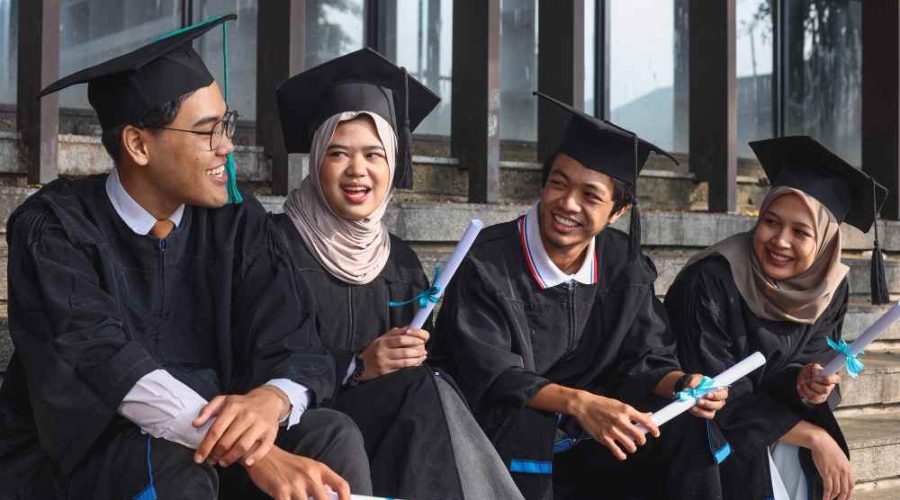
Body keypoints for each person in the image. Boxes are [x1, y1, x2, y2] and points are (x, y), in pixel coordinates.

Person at [0, 15, 370, 500]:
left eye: (227, 124)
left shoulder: (238, 224)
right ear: (138, 144)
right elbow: (108, 368)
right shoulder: (55, 229)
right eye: (207, 131)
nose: (229, 146)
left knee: (327, 436)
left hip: (211, 447)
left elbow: (297, 342)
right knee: (169, 464)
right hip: (85, 461)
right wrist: (254, 452)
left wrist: (270, 401)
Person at [431, 92, 729, 500]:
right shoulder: (487, 261)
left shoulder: (624, 264)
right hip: (509, 431)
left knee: (687, 425)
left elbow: (644, 359)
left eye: (590, 196)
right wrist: (579, 405)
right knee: (527, 424)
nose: (567, 204)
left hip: (595, 429)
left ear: (618, 211)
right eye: (558, 183)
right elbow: (489, 373)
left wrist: (684, 384)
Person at [270, 48, 524, 500]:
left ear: (392, 163)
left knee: (437, 387)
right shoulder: (272, 244)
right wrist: (357, 366)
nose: (358, 171)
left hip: (386, 432)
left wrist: (412, 355)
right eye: (338, 153)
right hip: (296, 429)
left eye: (374, 154)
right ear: (315, 158)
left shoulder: (399, 260)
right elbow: (257, 355)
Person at [665, 136, 888, 500]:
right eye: (771, 222)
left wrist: (807, 381)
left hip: (763, 421)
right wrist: (813, 435)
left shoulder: (829, 288)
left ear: (826, 243)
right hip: (701, 431)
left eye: (800, 232)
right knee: (804, 446)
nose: (779, 241)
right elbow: (712, 390)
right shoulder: (709, 280)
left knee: (804, 457)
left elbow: (806, 359)